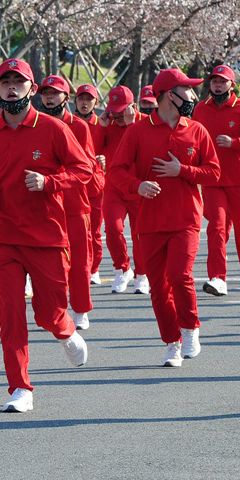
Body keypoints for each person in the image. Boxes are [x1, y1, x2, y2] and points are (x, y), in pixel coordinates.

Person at [0, 59, 92, 413]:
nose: (11, 87)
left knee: (49, 314)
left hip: (47, 235)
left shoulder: (52, 128)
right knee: (10, 313)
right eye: (5, 82)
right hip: (4, 234)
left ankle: (66, 329)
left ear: (31, 88)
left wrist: (50, 182)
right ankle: (20, 388)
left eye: (18, 82)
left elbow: (83, 169)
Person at [108, 68, 221, 365]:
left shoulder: (196, 130)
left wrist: (182, 170)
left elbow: (213, 172)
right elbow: (116, 171)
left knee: (180, 275)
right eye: (188, 89)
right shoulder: (137, 131)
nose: (194, 96)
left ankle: (190, 328)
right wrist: (138, 186)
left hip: (186, 219)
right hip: (149, 222)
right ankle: (172, 342)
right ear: (169, 94)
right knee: (158, 287)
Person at [35, 75, 100, 328]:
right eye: (46, 93)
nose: (49, 97)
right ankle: (54, 310)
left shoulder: (79, 126)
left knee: (79, 262)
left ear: (65, 97)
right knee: (50, 263)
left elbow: (85, 166)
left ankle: (81, 310)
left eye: (55, 93)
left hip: (74, 203)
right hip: (45, 204)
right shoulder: (36, 124)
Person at [192, 64, 240, 297]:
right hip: (212, 179)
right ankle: (218, 278)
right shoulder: (201, 109)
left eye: (222, 81)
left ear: (232, 85)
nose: (218, 85)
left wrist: (235, 143)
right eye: (214, 82)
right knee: (216, 227)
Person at [99, 85, 145, 293]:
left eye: (121, 111)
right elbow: (93, 149)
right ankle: (122, 268)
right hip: (115, 187)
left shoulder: (145, 123)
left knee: (140, 234)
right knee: (113, 228)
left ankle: (142, 274)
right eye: (113, 110)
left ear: (133, 107)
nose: (116, 116)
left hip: (139, 187)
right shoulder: (108, 124)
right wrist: (101, 127)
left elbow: (141, 152)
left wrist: (130, 125)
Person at [75, 82, 106, 285]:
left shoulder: (103, 125)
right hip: (75, 185)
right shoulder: (68, 124)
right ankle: (79, 266)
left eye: (89, 99)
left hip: (96, 184)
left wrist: (106, 158)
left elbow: (116, 148)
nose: (85, 103)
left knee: (94, 230)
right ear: (75, 101)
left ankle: (94, 268)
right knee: (76, 231)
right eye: (81, 99)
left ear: (95, 102)